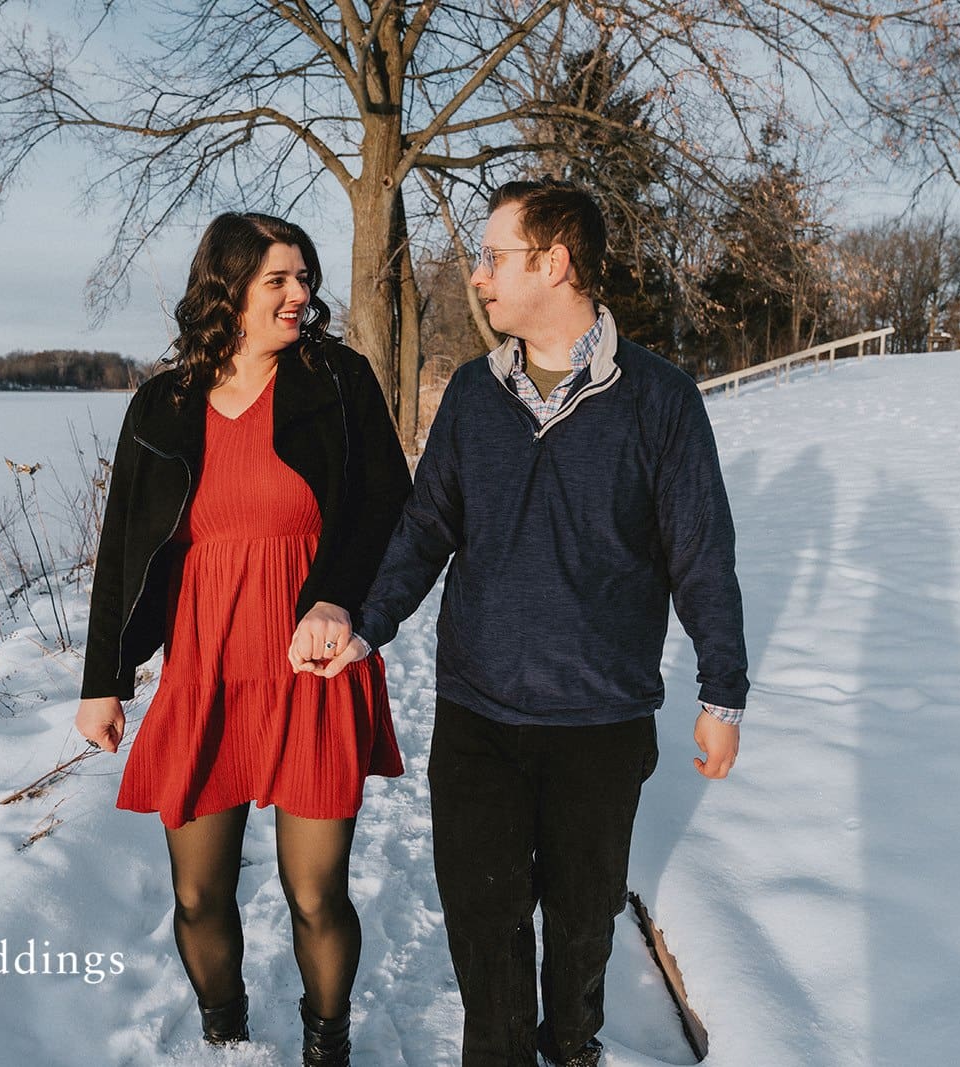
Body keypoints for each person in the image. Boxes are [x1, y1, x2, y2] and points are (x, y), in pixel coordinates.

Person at [291, 179, 748, 1067]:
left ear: (555, 261)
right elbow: (426, 528)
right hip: (479, 718)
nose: (481, 274)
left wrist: (722, 694)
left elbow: (702, 554)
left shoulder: (659, 399)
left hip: (599, 723)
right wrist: (364, 623)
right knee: (486, 933)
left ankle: (572, 1045)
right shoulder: (471, 393)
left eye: (496, 255)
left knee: (581, 932)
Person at [76, 211, 411, 1067]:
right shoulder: (165, 402)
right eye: (279, 280)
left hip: (312, 661)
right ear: (228, 289)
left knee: (314, 890)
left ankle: (325, 1044)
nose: (302, 295)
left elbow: (386, 506)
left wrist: (339, 600)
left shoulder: (336, 379)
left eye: (305, 278)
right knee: (196, 893)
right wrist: (104, 677)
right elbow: (123, 544)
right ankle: (226, 1035)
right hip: (206, 664)